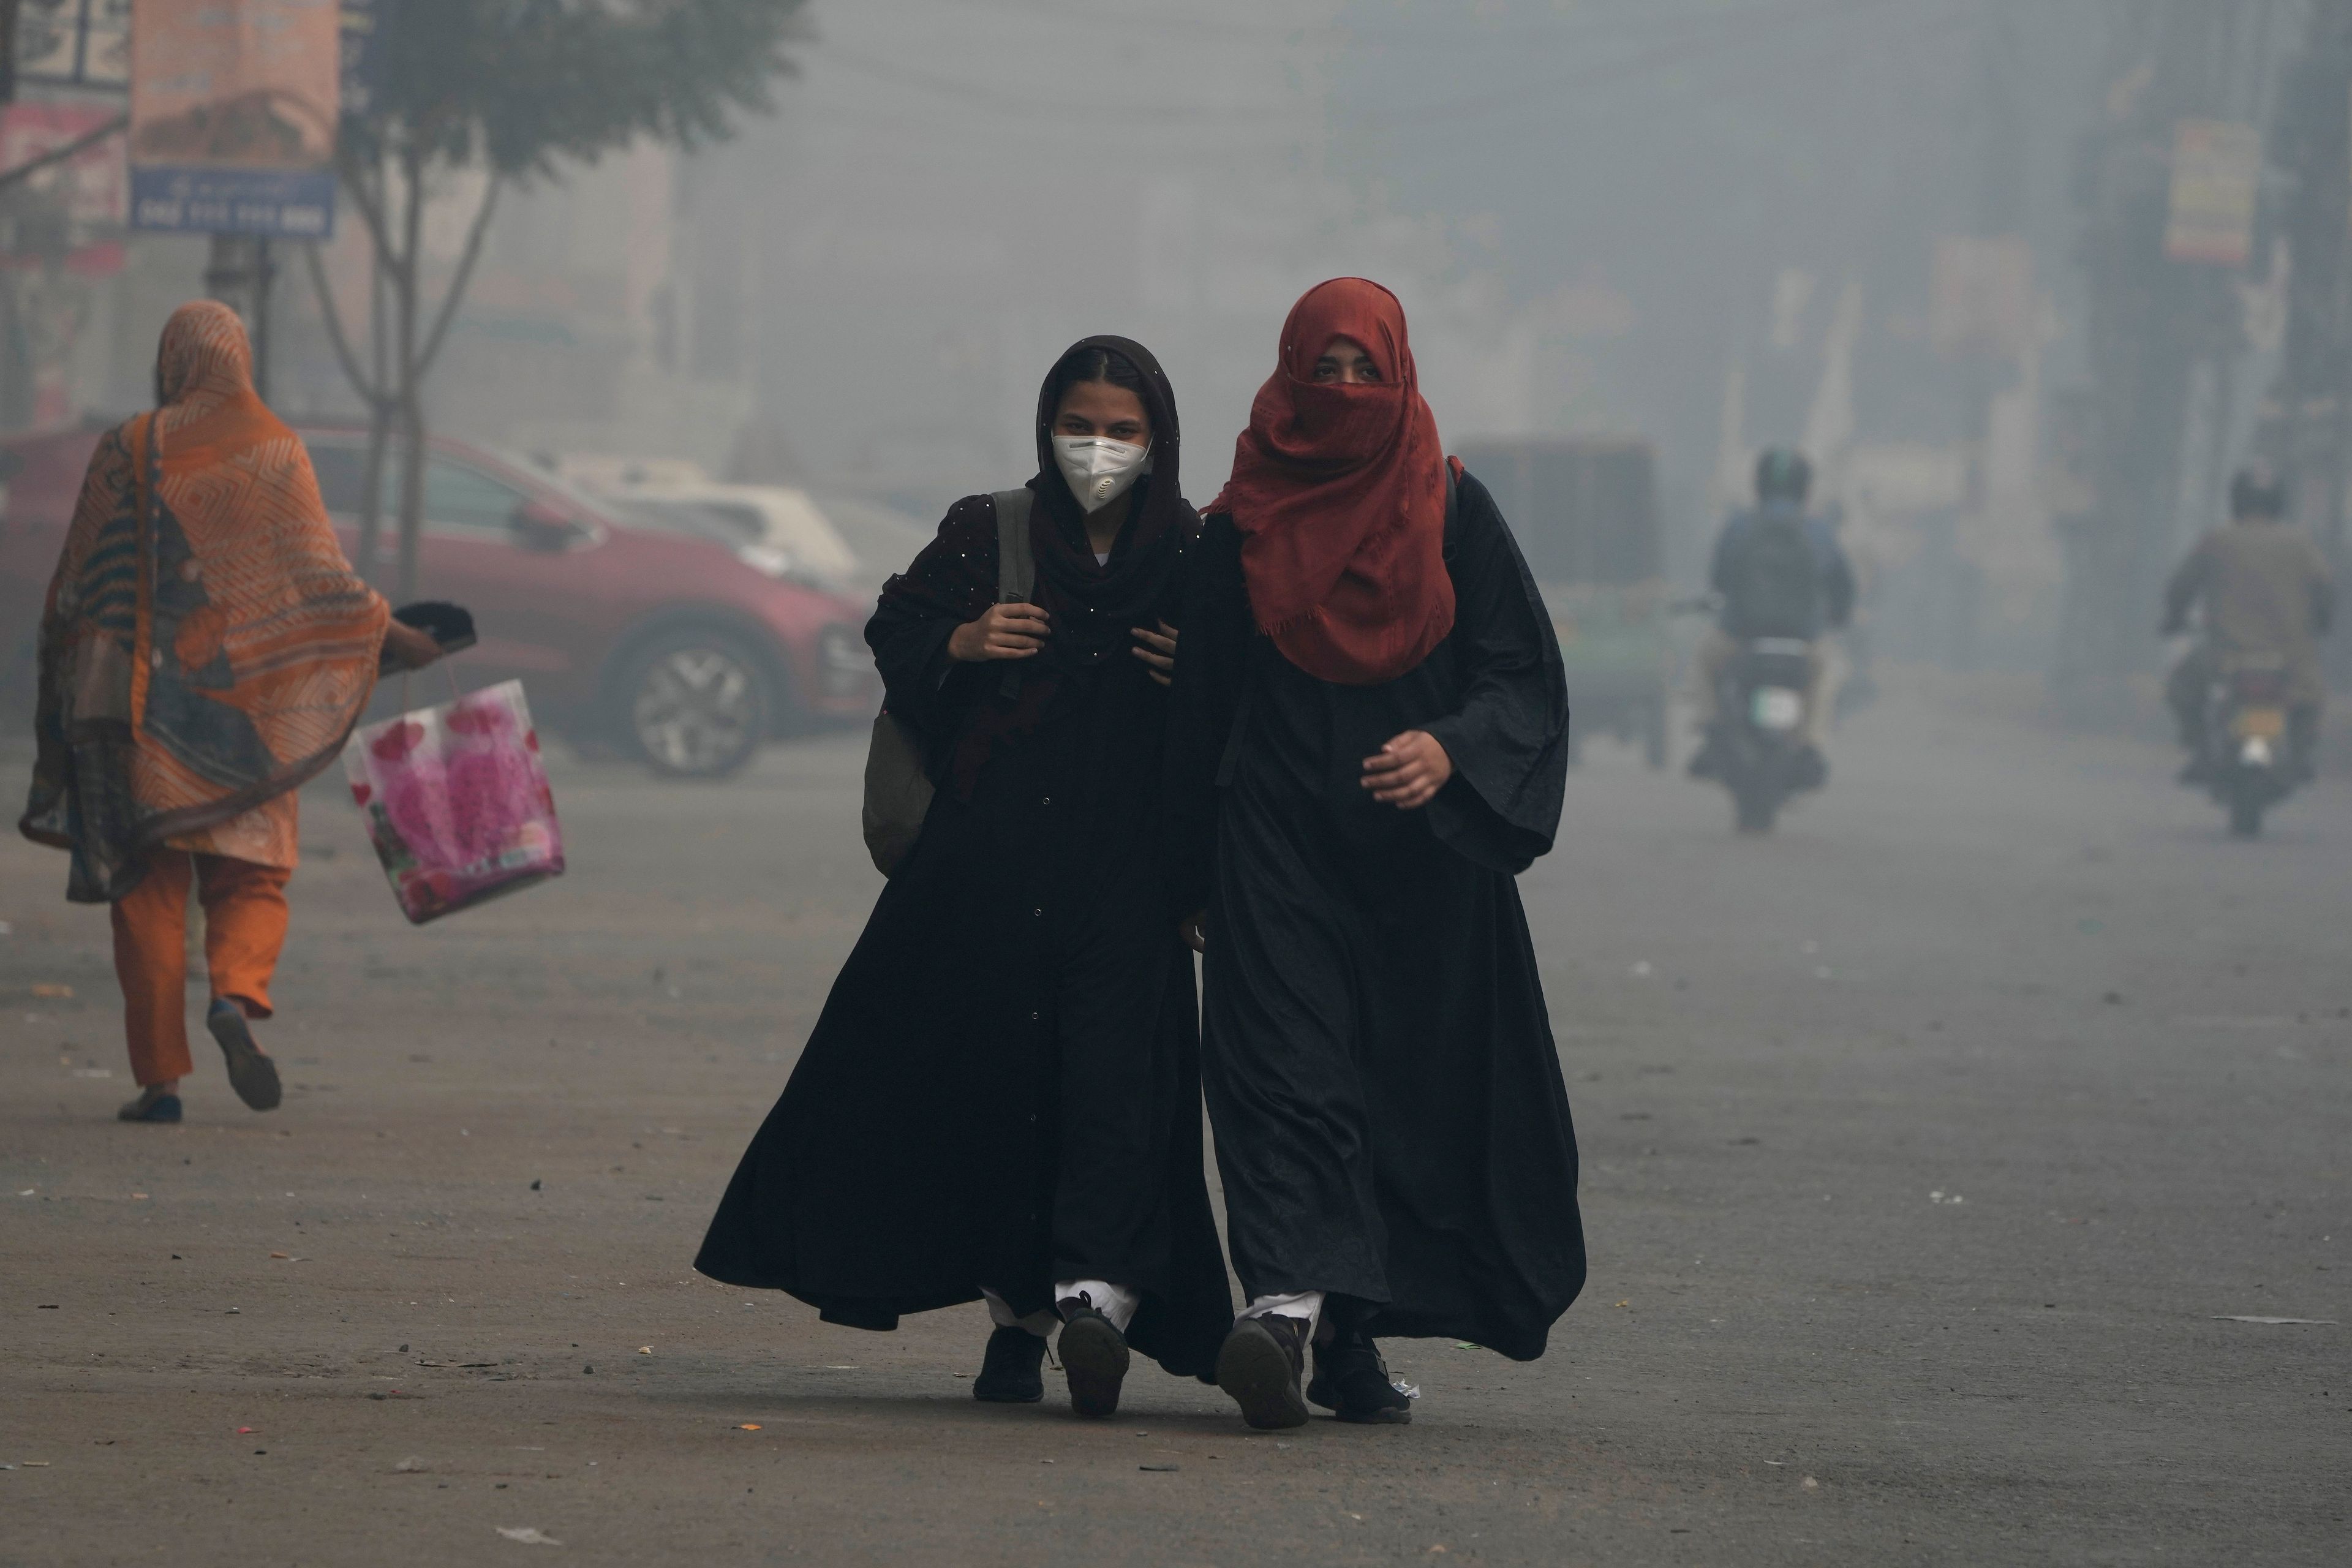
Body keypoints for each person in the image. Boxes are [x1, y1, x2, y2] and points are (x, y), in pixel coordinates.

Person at [695, 337, 1231, 1419]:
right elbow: (894, 626)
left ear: (1159, 438)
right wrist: (969, 638)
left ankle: (1093, 1308)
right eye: (1080, 424)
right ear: (1046, 426)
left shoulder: (1187, 548)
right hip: (988, 874)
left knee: (1116, 1101)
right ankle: (1014, 1329)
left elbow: (1241, 692)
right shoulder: (992, 530)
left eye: (1124, 430)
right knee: (997, 1100)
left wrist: (1201, 673)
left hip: (1126, 881)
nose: (1099, 448)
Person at [1164, 278, 1584, 1431]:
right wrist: (1188, 875)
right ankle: (1287, 1311)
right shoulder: (1238, 522)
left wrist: (1453, 751)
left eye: (1364, 370)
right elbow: (1197, 708)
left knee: (1403, 1098)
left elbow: (1521, 672)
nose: (1342, 392)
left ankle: (1346, 1345)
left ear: (1398, 374)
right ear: (1289, 372)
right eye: (1324, 368)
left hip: (1423, 864)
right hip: (1276, 840)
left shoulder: (1453, 509)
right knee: (1284, 1074)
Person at [18, 300, 440, 1124]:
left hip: (133, 713)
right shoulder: (275, 453)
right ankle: (237, 1000)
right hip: (242, 706)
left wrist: (64, 689)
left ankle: (161, 1083)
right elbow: (323, 582)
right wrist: (399, 637)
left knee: (146, 889)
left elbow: (75, 584)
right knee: (252, 876)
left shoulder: (124, 448)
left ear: (172, 361)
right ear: (238, 360)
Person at [1689, 448, 1855, 785]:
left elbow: (1719, 579)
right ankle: (1811, 745)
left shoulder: (1739, 525)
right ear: (1805, 488)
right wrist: (1838, 618)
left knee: (1703, 660)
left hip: (1739, 637)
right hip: (1804, 641)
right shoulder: (1819, 532)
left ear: (1758, 484)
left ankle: (1713, 733)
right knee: (1827, 675)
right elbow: (1843, 586)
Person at [2164, 466, 2335, 782]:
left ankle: (2203, 753)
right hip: (2289, 658)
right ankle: (2298, 759)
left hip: (2225, 656)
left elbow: (2182, 587)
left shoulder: (2218, 539)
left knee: (2181, 688)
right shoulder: (2300, 544)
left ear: (2237, 500)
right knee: (2310, 702)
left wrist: (2173, 620)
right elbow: (2325, 590)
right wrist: (2322, 623)